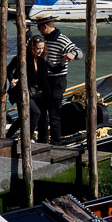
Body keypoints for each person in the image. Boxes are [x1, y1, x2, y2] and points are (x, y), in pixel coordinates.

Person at [36, 15, 83, 143]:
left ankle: (56, 142)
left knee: (54, 113)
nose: (38, 30)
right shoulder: (43, 40)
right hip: (45, 81)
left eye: (39, 27)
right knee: (41, 113)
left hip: (58, 81)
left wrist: (72, 54)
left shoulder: (62, 39)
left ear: (45, 26)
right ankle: (42, 141)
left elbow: (79, 51)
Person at [6, 35, 48, 141]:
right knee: (35, 112)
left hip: (33, 92)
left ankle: (7, 136)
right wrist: (12, 80)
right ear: (32, 48)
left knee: (23, 117)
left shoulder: (41, 60)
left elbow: (45, 77)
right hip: (19, 90)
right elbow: (8, 70)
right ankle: (27, 138)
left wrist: (63, 61)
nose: (40, 51)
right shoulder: (22, 58)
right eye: (38, 48)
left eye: (42, 48)